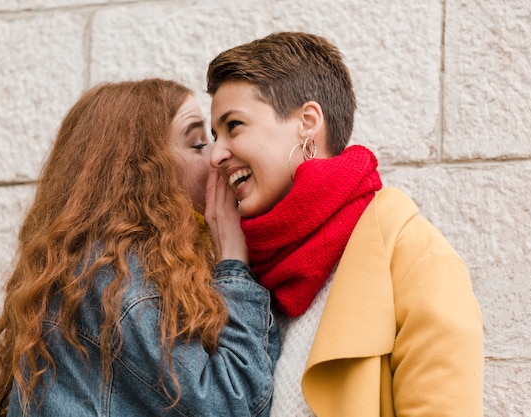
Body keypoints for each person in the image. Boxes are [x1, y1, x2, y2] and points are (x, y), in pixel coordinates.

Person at [0, 79, 280, 417]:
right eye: (199, 143)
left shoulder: (112, 266)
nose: (217, 156)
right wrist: (233, 263)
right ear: (141, 172)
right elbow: (233, 404)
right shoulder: (117, 281)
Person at [206, 32, 484, 417]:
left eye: (233, 126)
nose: (216, 154)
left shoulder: (413, 258)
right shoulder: (243, 274)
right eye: (213, 136)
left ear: (307, 122)